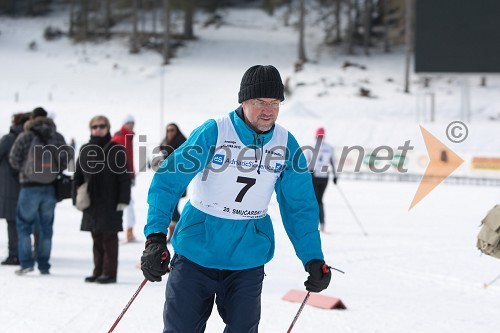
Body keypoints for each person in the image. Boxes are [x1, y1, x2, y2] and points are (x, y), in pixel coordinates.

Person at [140, 65, 332, 332]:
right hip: (196, 252)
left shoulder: (286, 144)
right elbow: (167, 182)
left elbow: (299, 206)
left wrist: (312, 258)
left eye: (275, 103)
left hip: (247, 258)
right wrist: (156, 237)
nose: (268, 110)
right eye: (259, 102)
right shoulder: (215, 132)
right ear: (243, 101)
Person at [9, 107, 73, 275]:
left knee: (23, 226)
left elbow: (14, 159)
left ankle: (26, 263)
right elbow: (66, 160)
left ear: (32, 117)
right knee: (46, 228)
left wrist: (25, 170)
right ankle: (44, 264)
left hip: (28, 187)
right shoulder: (57, 136)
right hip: (49, 188)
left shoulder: (26, 135)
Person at [73, 115, 131, 284]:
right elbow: (77, 176)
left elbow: (124, 177)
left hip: (111, 201)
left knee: (109, 238)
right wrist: (75, 197)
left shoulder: (116, 149)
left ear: (108, 128)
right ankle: (97, 270)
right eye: (95, 126)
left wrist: (123, 199)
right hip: (92, 201)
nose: (98, 129)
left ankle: (109, 273)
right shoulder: (85, 149)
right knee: (96, 237)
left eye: (102, 126)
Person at [0, 112, 31, 265]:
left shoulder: (9, 139)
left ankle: (14, 254)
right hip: (32, 185)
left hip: (9, 187)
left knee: (13, 222)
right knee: (27, 222)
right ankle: (27, 253)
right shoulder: (34, 138)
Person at [304, 127, 338, 232]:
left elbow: (306, 162)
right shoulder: (329, 147)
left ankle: (313, 224)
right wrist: (335, 176)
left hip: (314, 176)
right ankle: (322, 224)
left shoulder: (310, 145)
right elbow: (333, 163)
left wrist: (306, 173)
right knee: (319, 200)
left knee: (313, 200)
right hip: (324, 177)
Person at [158, 123, 187, 242]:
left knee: (173, 207)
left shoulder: (182, 143)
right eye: (168, 130)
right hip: (167, 180)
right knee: (170, 207)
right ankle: (175, 232)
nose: (170, 132)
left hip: (178, 180)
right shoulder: (165, 143)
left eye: (172, 130)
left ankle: (179, 231)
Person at [111, 115, 136, 242]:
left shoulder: (128, 136)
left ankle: (128, 231)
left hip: (126, 175)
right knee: (126, 203)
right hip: (121, 177)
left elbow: (129, 159)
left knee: (127, 203)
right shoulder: (120, 137)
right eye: (128, 123)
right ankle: (126, 231)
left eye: (132, 122)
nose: (131, 125)